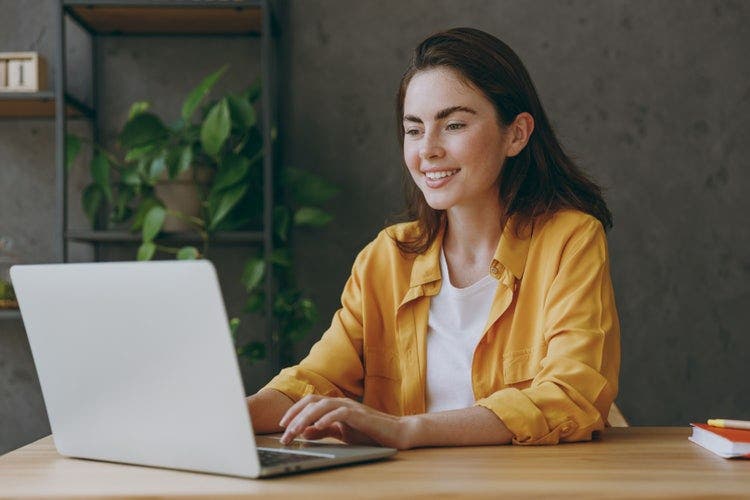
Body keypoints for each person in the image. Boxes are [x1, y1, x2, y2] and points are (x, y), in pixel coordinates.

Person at [246, 27, 620, 449]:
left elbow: (571, 396)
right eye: (414, 129)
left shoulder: (570, 239)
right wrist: (226, 414)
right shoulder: (386, 257)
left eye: (454, 124)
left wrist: (407, 429)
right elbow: (316, 380)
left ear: (516, 134)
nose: (428, 150)